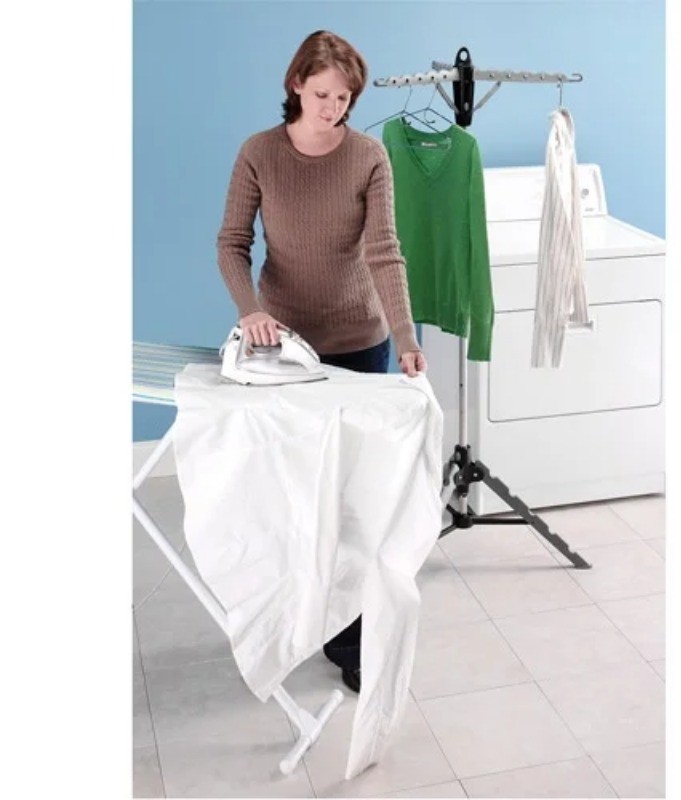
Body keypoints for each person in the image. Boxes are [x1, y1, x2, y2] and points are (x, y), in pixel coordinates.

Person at [216, 30, 427, 695]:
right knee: (294, 494)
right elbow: (231, 243)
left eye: (344, 98)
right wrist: (251, 311)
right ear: (295, 87)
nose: (333, 108)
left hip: (360, 343)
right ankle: (293, 614)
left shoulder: (368, 156)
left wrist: (406, 336)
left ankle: (350, 637)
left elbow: (384, 251)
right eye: (322, 95)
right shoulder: (259, 153)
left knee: (354, 502)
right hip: (283, 349)